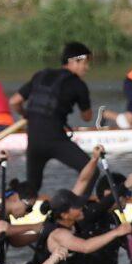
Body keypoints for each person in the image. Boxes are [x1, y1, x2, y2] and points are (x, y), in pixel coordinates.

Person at [18, 42, 98, 190]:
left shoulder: (40, 75)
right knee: (91, 170)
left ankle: (22, 204)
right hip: (55, 140)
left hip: (34, 140)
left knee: (32, 186)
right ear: (73, 61)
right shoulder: (78, 85)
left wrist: (26, 115)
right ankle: (76, 206)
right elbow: (87, 117)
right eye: (85, 63)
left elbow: (14, 101)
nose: (87, 68)